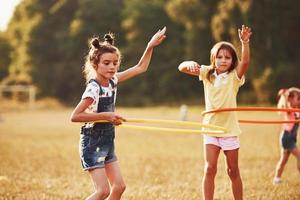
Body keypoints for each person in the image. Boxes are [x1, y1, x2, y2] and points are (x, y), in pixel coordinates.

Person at [70, 27, 166, 200]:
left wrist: (151, 45)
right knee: (103, 191)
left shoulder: (112, 81)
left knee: (119, 187)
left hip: (107, 140)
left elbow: (140, 67)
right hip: (92, 141)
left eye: (115, 63)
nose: (112, 67)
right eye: (106, 63)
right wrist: (106, 116)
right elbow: (75, 116)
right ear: (95, 64)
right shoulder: (93, 87)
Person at [178, 25, 252, 200]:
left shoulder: (234, 77)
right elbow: (181, 67)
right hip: (211, 128)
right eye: (219, 57)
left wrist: (245, 43)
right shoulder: (207, 73)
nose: (223, 60)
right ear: (213, 59)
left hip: (229, 130)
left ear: (232, 60)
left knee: (232, 170)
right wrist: (189, 64)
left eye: (227, 57)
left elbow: (246, 62)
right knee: (210, 168)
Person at [273, 87, 300, 185]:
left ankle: (277, 179)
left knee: (283, 160)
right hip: (287, 138)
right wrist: (284, 95)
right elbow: (284, 107)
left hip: (291, 138)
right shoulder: (290, 110)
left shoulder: (298, 109)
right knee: (299, 156)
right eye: (298, 98)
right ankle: (277, 178)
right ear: (291, 99)